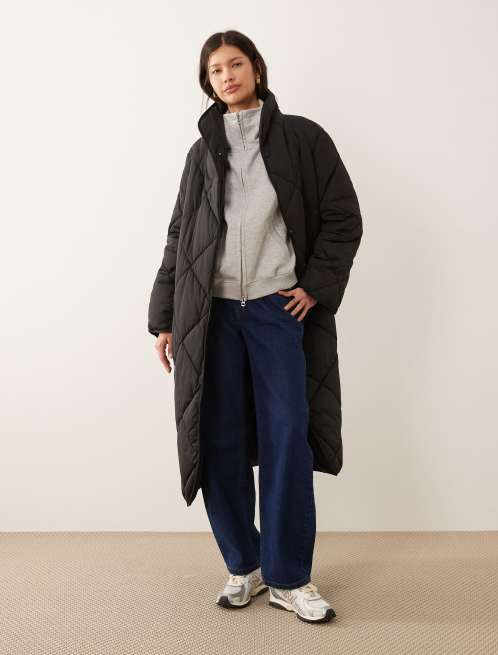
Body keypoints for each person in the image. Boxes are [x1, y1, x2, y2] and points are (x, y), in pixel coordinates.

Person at [148, 30, 363, 624]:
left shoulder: (303, 138)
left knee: (288, 435)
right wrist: (164, 318)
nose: (226, 76)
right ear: (208, 83)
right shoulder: (201, 153)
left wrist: (315, 286)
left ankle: (290, 577)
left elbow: (343, 217)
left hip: (276, 310)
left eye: (235, 64)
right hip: (210, 314)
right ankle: (245, 565)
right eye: (215, 70)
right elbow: (180, 236)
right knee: (218, 439)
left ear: (257, 70)